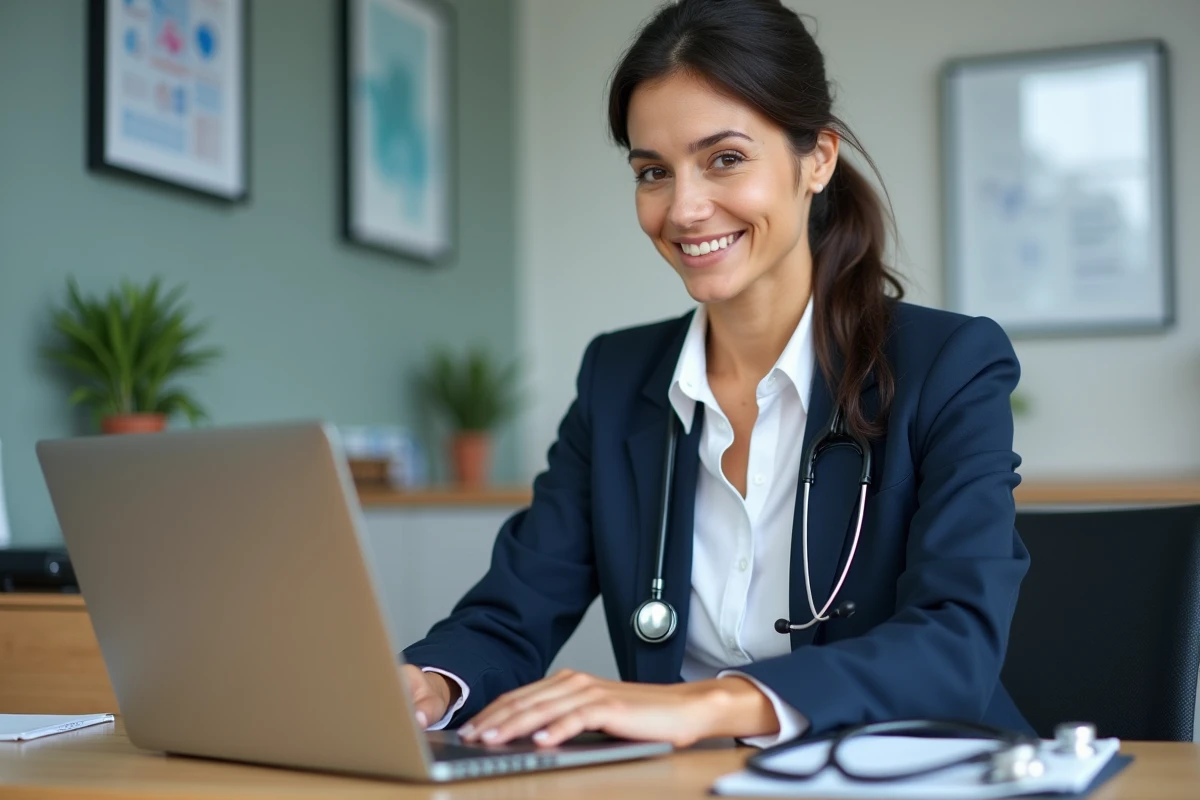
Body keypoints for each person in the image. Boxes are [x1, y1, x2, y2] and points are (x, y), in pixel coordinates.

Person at [400, 0, 1031, 749]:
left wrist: (709, 705)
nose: (685, 208)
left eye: (724, 159)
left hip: (914, 774)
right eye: (653, 172)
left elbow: (955, 644)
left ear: (817, 159)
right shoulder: (617, 378)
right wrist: (426, 686)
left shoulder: (947, 366)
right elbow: (513, 612)